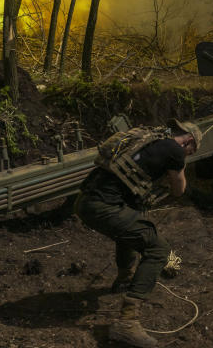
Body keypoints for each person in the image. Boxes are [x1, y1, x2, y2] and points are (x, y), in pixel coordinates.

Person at [76, 121, 199, 348]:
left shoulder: (148, 140)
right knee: (158, 249)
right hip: (104, 207)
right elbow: (179, 189)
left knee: (133, 226)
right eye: (192, 152)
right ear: (189, 141)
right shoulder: (174, 150)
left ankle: (124, 279)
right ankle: (127, 322)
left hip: (85, 201)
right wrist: (180, 169)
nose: (189, 155)